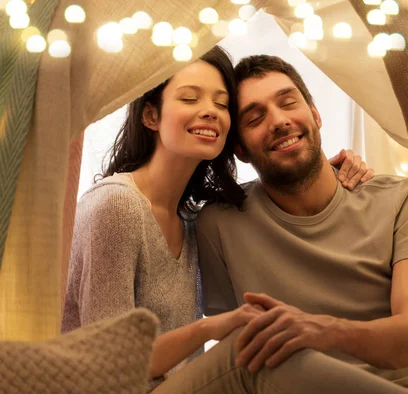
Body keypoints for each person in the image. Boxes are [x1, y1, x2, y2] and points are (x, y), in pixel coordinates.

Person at [61, 45, 385, 393]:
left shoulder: (192, 220)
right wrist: (212, 328)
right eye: (189, 99)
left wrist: (332, 172)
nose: (210, 112)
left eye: (220, 104)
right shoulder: (117, 206)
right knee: (248, 352)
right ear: (151, 116)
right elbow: (110, 364)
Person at [193, 55, 408, 392]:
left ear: (315, 114)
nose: (278, 121)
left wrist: (320, 330)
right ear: (240, 149)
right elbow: (235, 347)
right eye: (255, 118)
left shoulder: (403, 200)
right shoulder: (218, 223)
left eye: (288, 102)